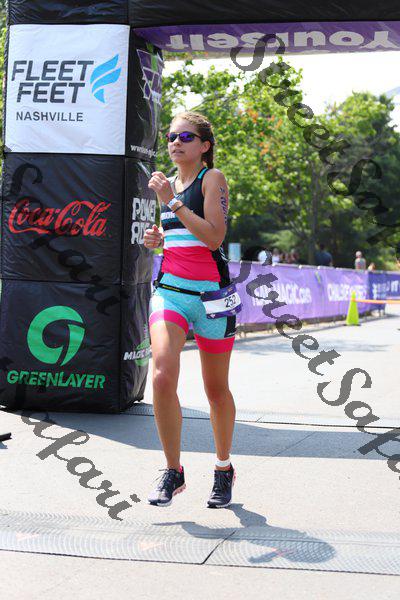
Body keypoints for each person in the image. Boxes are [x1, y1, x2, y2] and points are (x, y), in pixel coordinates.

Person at [143, 111, 238, 509]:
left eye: (185, 137)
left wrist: (172, 202)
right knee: (162, 375)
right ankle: (173, 469)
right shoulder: (168, 184)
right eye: (171, 136)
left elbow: (213, 237)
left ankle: (223, 468)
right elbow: (180, 235)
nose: (175, 142)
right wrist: (157, 239)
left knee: (216, 390)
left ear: (204, 145)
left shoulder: (211, 179)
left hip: (212, 297)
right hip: (171, 292)